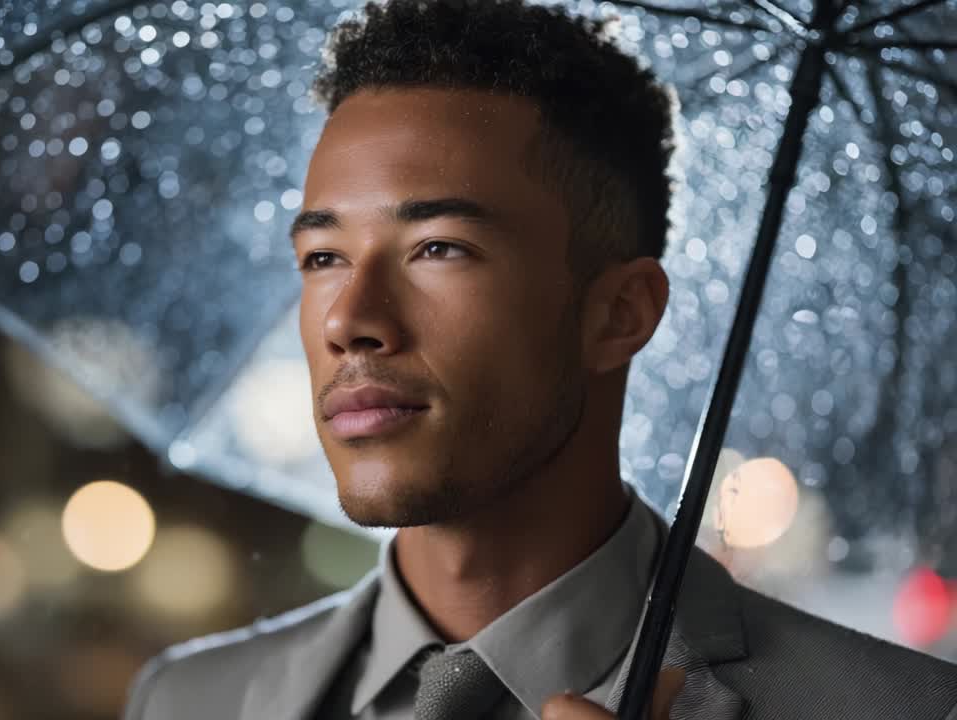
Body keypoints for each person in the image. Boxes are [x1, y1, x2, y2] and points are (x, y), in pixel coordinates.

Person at [124, 1, 957, 718]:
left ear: (619, 314)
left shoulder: (898, 708)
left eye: (438, 247)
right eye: (322, 257)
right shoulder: (186, 699)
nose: (350, 320)